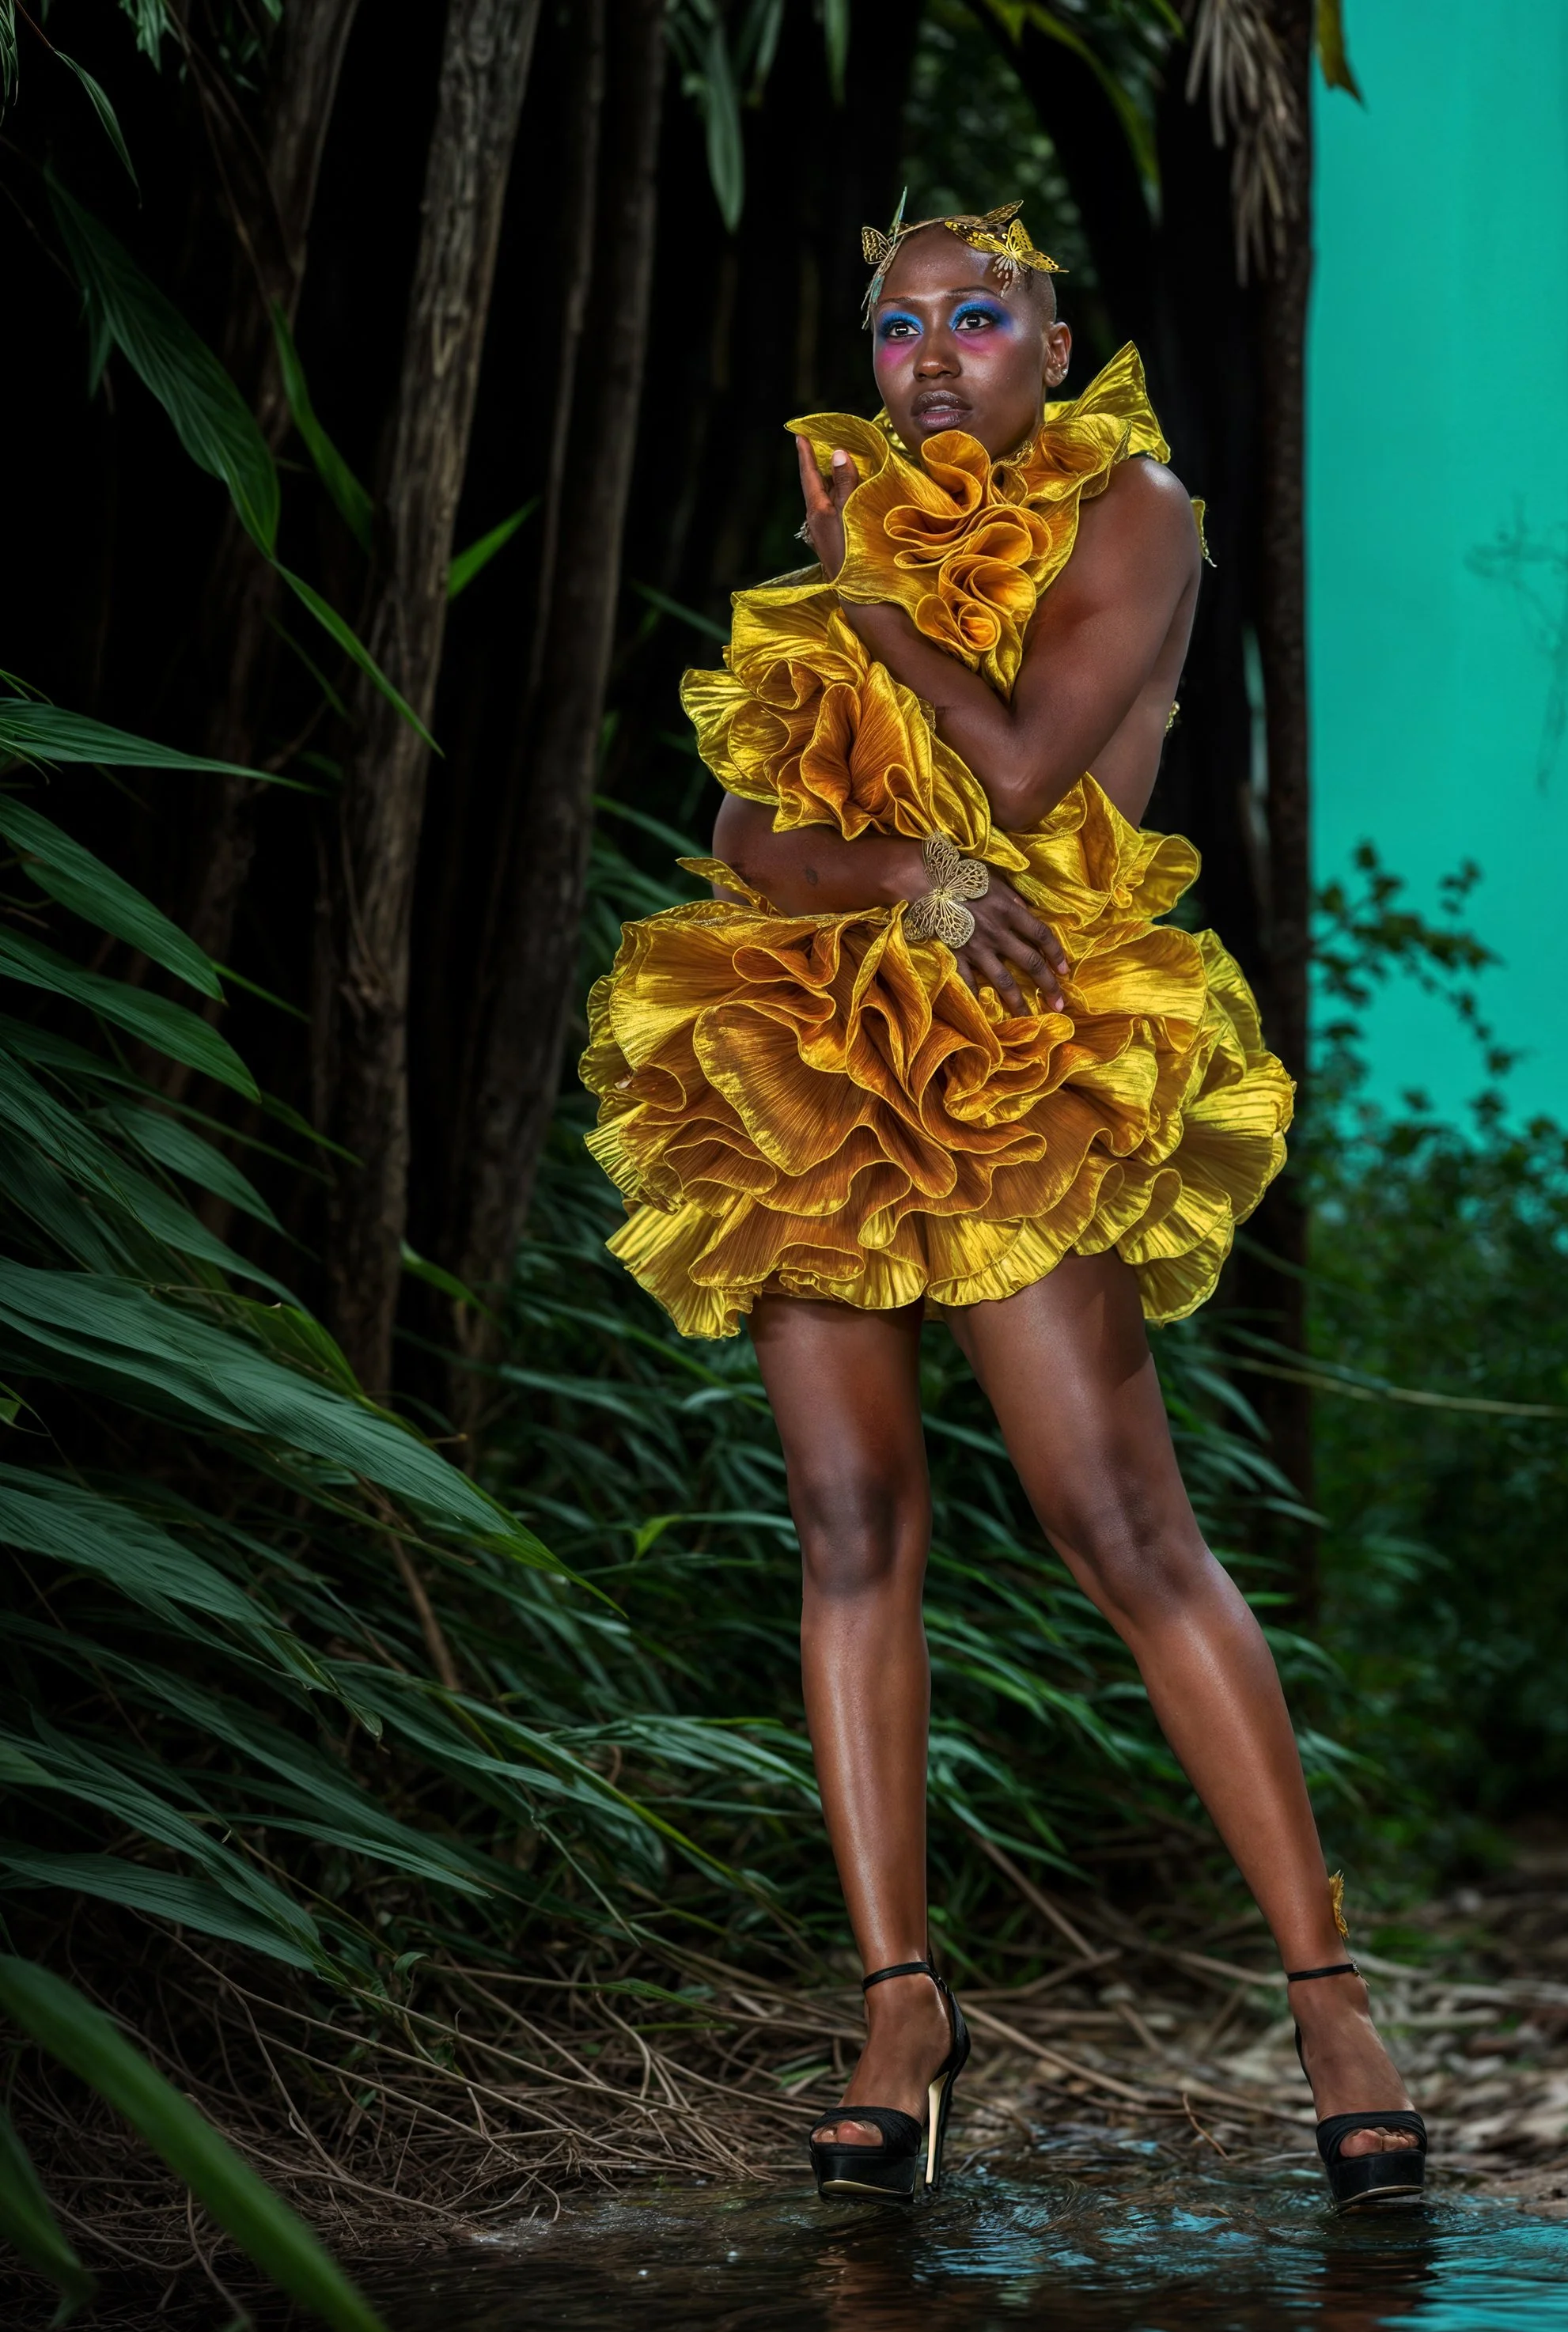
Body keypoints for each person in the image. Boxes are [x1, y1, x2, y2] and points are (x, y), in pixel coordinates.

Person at [580, 198, 1423, 2212]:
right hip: (809, 1057)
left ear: (1053, 346)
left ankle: (1326, 1997)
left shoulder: (1135, 508)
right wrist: (893, 880)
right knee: (851, 1522)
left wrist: (870, 600)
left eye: (980, 317)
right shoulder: (840, 537)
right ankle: (902, 2008)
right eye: (897, 328)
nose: (936, 353)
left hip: (1029, 1062)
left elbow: (1040, 771)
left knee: (1119, 1522)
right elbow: (745, 830)